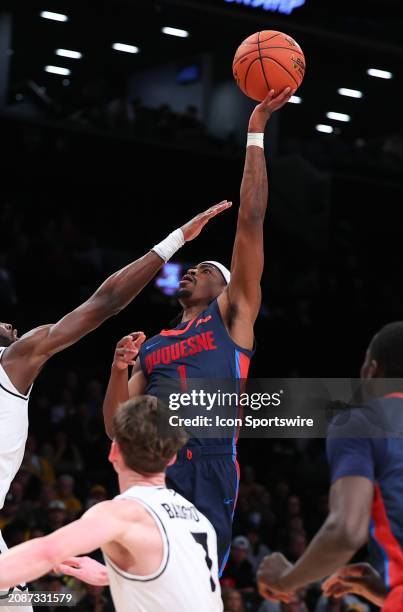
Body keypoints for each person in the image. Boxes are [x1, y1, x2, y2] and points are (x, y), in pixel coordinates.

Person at [0, 201, 229, 608]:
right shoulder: (14, 360)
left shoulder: (12, 363)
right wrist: (175, 239)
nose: (14, 328)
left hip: (208, 457)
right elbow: (105, 303)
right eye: (6, 325)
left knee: (23, 600)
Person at [102, 87, 294, 572]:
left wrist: (255, 132)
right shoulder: (154, 346)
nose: (192, 271)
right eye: (192, 268)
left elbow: (250, 219)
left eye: (206, 268)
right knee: (146, 583)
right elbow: (114, 428)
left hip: (208, 457)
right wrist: (118, 369)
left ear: (227, 286)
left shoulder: (232, 317)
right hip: (153, 465)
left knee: (195, 581)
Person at [0, 396, 222, 611]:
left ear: (114, 451)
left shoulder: (124, 513)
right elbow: (182, 583)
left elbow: (46, 552)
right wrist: (112, 575)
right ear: (173, 458)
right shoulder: (198, 519)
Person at [256, 322, 403, 611]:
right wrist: (384, 593)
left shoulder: (365, 421)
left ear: (372, 372)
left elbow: (347, 530)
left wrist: (286, 579)